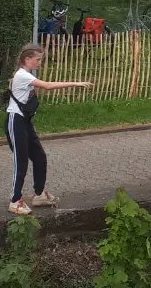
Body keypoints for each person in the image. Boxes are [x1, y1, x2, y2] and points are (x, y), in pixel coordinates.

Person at [6, 43, 92, 216]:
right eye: (38, 60)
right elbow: (47, 86)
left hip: (25, 121)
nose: (40, 63)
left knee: (39, 157)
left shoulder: (25, 75)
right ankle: (15, 201)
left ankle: (39, 194)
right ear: (27, 59)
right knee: (21, 161)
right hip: (15, 122)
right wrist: (76, 83)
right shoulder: (22, 75)